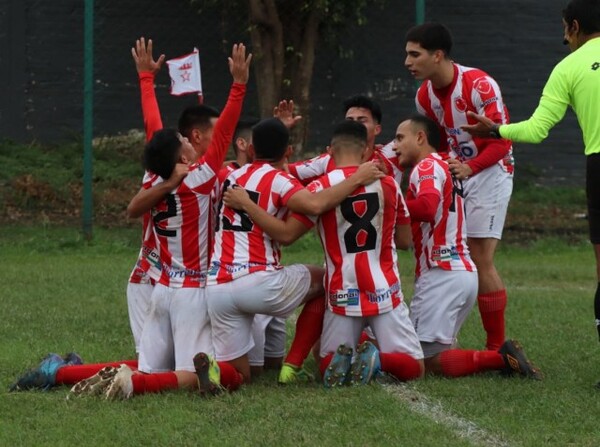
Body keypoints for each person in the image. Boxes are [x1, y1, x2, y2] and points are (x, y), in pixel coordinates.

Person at [224, 120, 425, 386]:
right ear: (367, 151)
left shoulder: (320, 189)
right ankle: (380, 359)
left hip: (342, 291)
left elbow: (288, 233)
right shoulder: (388, 184)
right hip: (384, 288)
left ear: (330, 153)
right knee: (415, 368)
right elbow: (404, 239)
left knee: (325, 361)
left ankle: (329, 361)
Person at [461, 0, 600, 353]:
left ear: (573, 26)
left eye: (564, 29)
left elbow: (537, 130)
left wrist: (496, 130)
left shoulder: (568, 67)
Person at [393, 115, 542, 379]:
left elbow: (427, 207)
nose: (395, 146)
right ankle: (498, 358)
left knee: (423, 362)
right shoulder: (445, 164)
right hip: (461, 272)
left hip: (442, 273)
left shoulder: (426, 167)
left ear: (420, 138)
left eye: (400, 138)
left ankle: (500, 359)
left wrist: (391, 206)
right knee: (431, 354)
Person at [405, 23, 514, 351]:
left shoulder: (479, 84)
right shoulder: (424, 95)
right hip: (457, 172)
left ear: (437, 56)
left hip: (492, 170)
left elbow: (503, 141)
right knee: (450, 252)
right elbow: (437, 143)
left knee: (480, 256)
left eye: (415, 54)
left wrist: (470, 167)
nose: (408, 62)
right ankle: (442, 335)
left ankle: (497, 348)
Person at [287, 95, 403, 186]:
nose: (354, 125)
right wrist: (281, 130)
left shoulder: (392, 153)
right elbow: (280, 169)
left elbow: (418, 131)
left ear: (377, 129)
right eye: (350, 120)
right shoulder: (327, 160)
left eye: (362, 120)